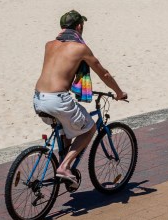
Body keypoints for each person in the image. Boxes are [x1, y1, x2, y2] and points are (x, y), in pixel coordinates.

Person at [33, 11, 127, 188]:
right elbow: (104, 73)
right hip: (57, 99)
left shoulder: (49, 45)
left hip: (38, 98)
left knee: (67, 127)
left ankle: (62, 166)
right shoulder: (80, 48)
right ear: (79, 27)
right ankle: (64, 167)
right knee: (89, 129)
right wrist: (119, 92)